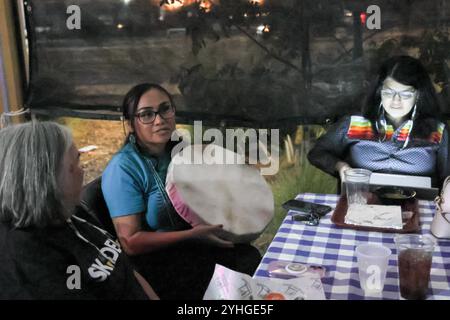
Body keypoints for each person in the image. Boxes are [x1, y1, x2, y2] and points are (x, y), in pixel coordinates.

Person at [101, 83, 262, 300]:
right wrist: (193, 236)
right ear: (130, 123)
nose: (159, 120)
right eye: (147, 114)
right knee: (240, 270)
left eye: (165, 109)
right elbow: (130, 242)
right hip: (159, 263)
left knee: (249, 256)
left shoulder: (179, 147)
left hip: (195, 243)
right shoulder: (124, 168)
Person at [0, 121, 158, 300]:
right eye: (72, 166)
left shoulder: (69, 210)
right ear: (44, 180)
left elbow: (123, 266)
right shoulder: (27, 259)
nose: (81, 171)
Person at [308, 55, 449, 188]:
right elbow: (317, 153)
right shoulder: (355, 123)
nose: (396, 101)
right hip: (364, 204)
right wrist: (340, 166)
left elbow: (447, 178)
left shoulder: (437, 131)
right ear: (379, 91)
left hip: (419, 208)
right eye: (388, 92)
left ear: (418, 95)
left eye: (405, 94)